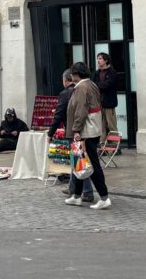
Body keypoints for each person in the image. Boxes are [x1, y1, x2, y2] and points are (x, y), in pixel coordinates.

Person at [64, 61, 111, 210]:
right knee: (80, 162)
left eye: (72, 73)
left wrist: (76, 130)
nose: (71, 76)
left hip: (86, 132)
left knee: (91, 164)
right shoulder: (92, 85)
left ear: (76, 74)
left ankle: (104, 197)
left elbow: (81, 110)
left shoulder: (81, 88)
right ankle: (77, 196)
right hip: (93, 129)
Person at [49, 70, 94, 202]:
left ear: (65, 80)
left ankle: (87, 191)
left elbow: (59, 114)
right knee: (77, 160)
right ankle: (73, 187)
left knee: (79, 161)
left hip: (73, 131)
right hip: (84, 130)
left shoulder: (67, 93)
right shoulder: (84, 89)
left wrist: (51, 132)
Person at [93, 53, 119, 142]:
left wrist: (98, 85)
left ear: (106, 60)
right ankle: (102, 146)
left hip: (109, 103)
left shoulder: (112, 72)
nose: (98, 61)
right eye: (97, 59)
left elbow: (107, 85)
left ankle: (115, 146)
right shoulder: (97, 73)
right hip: (99, 104)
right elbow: (93, 85)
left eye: (100, 58)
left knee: (112, 126)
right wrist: (99, 85)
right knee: (101, 126)